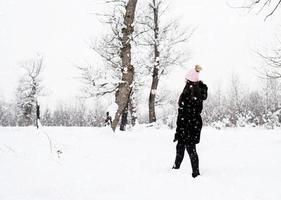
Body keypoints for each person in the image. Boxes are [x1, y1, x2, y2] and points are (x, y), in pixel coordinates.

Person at [172, 65, 208, 178]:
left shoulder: (191, 90)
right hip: (192, 123)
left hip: (188, 123)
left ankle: (196, 173)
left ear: (189, 80)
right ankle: (175, 167)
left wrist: (181, 126)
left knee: (190, 148)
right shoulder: (195, 89)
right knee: (181, 145)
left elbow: (185, 111)